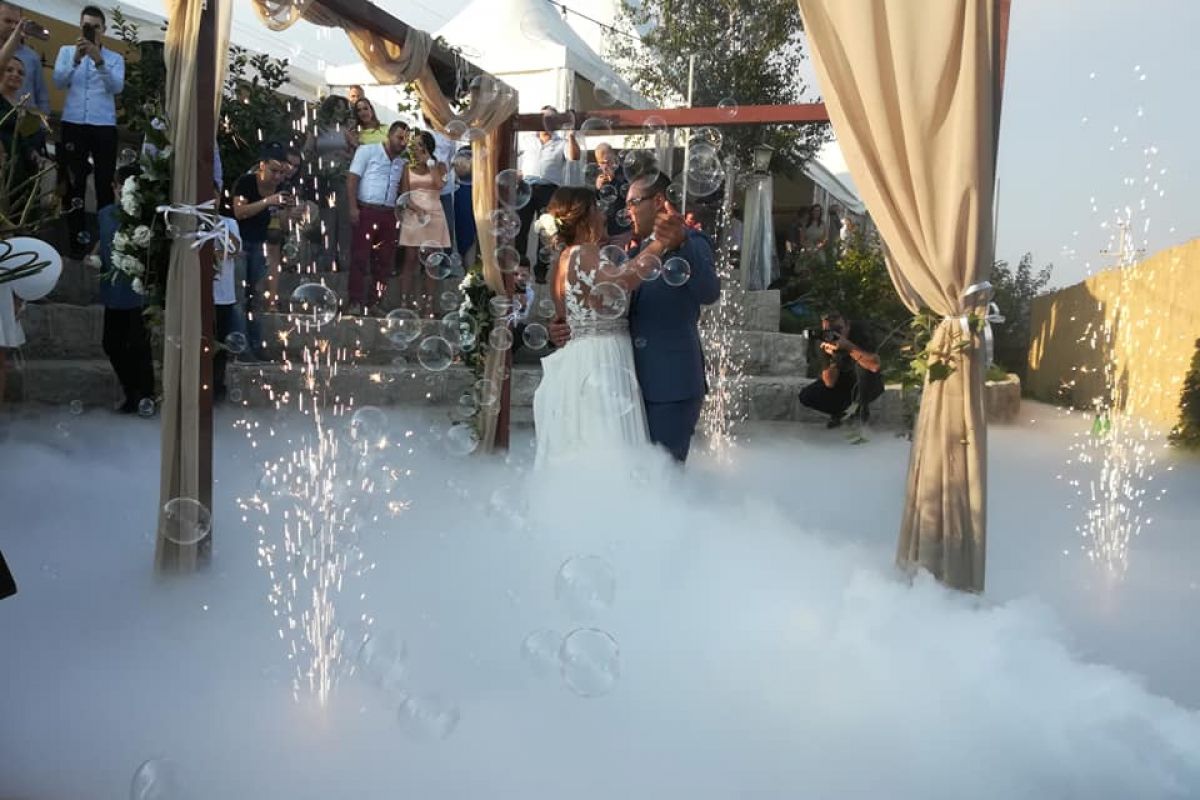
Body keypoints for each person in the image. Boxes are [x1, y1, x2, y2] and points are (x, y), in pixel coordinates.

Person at [548, 173, 720, 463]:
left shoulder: (691, 241)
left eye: (633, 203)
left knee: (664, 477)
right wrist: (565, 327)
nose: (626, 212)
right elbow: (601, 297)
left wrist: (679, 244)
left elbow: (710, 292)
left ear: (658, 201)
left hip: (670, 384)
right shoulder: (631, 253)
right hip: (622, 383)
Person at [53, 5, 124, 256]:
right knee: (74, 183)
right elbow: (58, 81)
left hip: (103, 126)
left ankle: (105, 247)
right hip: (73, 123)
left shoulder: (115, 58)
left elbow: (117, 88)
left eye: (96, 27)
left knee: (104, 184)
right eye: (87, 26)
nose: (91, 30)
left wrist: (99, 60)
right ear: (80, 26)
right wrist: (76, 59)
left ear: (104, 29)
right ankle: (75, 246)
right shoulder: (66, 52)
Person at [95, 163, 155, 414]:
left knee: (139, 345)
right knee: (112, 343)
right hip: (113, 289)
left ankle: (145, 395)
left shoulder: (145, 215)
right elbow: (104, 239)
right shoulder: (105, 213)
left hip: (138, 291)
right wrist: (94, 255)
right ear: (115, 187)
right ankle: (131, 391)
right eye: (122, 187)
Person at [233, 142, 293, 360]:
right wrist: (268, 201)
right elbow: (239, 212)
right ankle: (241, 349)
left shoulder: (281, 188)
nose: (278, 177)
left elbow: (283, 225)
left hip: (260, 244)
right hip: (237, 243)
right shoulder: (246, 182)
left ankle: (257, 345)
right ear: (262, 165)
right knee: (239, 298)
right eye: (274, 171)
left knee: (257, 297)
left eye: (282, 172)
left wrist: (288, 212)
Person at [345, 120, 408, 315]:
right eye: (399, 137)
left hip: (389, 213)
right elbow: (352, 179)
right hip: (367, 210)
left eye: (406, 140)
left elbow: (403, 190)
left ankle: (374, 302)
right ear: (389, 135)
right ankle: (355, 301)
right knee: (360, 256)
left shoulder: (402, 162)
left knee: (384, 260)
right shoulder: (367, 151)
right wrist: (353, 208)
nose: (402, 143)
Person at [517, 106, 580, 279]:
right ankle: (519, 267)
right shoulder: (527, 139)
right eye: (543, 118)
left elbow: (574, 157)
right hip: (526, 185)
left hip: (548, 188)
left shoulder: (561, 142)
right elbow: (515, 157)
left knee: (547, 229)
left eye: (551, 119)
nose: (546, 122)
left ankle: (541, 271)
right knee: (521, 226)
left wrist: (571, 135)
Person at [395, 129, 449, 316]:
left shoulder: (440, 165)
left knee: (432, 263)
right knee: (410, 259)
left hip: (434, 216)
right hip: (414, 215)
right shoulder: (406, 167)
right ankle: (404, 302)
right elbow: (404, 195)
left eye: (420, 145)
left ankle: (428, 305)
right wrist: (417, 210)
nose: (416, 148)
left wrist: (430, 163)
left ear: (428, 147)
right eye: (414, 145)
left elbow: (440, 185)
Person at [798, 309, 883, 428]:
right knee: (807, 395)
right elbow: (829, 382)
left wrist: (848, 347)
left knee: (862, 368)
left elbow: (874, 366)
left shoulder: (860, 332)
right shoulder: (824, 339)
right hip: (843, 383)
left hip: (867, 383)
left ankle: (861, 408)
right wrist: (834, 357)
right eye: (829, 331)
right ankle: (840, 412)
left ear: (848, 326)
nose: (835, 334)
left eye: (838, 329)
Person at [0, 48, 43, 214]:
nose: (15, 75)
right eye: (9, 70)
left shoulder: (21, 106)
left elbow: (20, 136)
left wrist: (32, 152)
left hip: (19, 166)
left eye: (20, 73)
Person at [211, 214, 241, 403]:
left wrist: (222, 230)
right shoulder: (193, 221)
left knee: (221, 344)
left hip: (224, 295)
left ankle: (217, 387)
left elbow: (234, 250)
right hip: (201, 293)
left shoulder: (229, 223)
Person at [0, 3, 49, 119]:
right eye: (8, 21)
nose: (13, 27)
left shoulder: (32, 57)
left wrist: (43, 123)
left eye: (17, 23)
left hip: (24, 123)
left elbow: (41, 95)